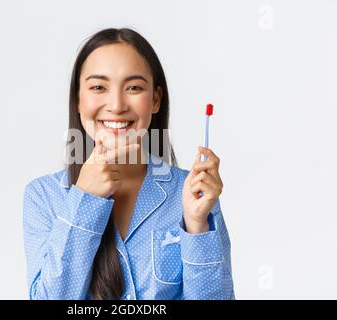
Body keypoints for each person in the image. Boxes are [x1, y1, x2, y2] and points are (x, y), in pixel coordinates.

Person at [23, 28, 235, 300]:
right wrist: (85, 201)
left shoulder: (193, 193)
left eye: (134, 87)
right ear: (78, 99)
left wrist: (196, 225)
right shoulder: (44, 196)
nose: (117, 105)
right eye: (98, 87)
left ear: (155, 100)